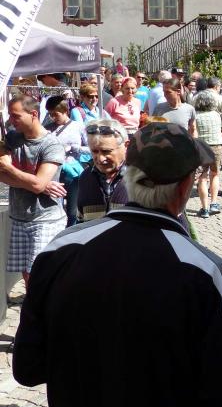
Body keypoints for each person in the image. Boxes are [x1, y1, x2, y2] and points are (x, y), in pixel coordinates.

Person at [12, 121, 222, 407]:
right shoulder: (206, 270)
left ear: (129, 175)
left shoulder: (60, 250)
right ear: (185, 187)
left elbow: (28, 368)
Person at [0, 96, 67, 289]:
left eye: (16, 116)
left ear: (34, 114)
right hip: (19, 216)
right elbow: (2, 176)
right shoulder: (12, 138)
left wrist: (11, 169)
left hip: (45, 218)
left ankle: (43, 305)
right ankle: (33, 304)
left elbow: (37, 184)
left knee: (37, 272)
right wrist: (36, 183)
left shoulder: (51, 144)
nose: (11, 120)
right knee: (26, 273)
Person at [45, 96, 89, 227]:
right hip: (53, 173)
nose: (53, 117)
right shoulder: (47, 128)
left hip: (72, 173)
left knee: (72, 211)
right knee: (54, 209)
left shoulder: (78, 127)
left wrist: (74, 148)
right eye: (50, 114)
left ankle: (71, 233)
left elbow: (91, 149)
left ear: (65, 111)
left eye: (56, 114)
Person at [77, 120, 129, 222]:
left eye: (106, 151)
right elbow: (81, 221)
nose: (100, 159)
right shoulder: (86, 177)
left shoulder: (142, 178)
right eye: (94, 151)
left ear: (126, 146)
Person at [193, 90, 222, 218]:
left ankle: (204, 208)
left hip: (201, 147)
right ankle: (214, 203)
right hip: (217, 146)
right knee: (215, 174)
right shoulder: (219, 115)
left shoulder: (195, 116)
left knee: (202, 177)